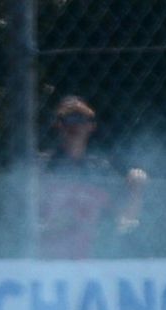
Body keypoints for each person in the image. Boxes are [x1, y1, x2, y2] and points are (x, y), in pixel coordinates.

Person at [37, 95, 147, 259]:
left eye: (81, 118)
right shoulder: (41, 167)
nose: (75, 125)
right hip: (47, 262)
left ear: (91, 126)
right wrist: (51, 227)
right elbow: (21, 221)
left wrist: (136, 189)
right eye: (68, 118)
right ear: (58, 124)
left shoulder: (100, 169)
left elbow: (125, 219)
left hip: (91, 261)